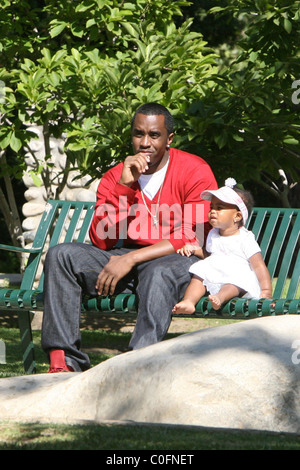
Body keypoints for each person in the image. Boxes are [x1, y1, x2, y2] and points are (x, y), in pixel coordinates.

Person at [41, 102, 218, 372]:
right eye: (138, 134)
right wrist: (124, 187)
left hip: (177, 259)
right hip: (127, 259)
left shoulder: (194, 170)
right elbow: (102, 240)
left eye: (154, 135)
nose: (145, 142)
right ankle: (62, 362)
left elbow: (192, 234)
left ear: (169, 138)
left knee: (158, 272)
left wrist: (132, 258)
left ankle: (138, 366)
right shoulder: (116, 176)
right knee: (62, 255)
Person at [172, 178, 272, 314]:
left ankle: (220, 297)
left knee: (232, 284)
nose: (213, 211)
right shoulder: (213, 233)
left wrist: (266, 291)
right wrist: (195, 249)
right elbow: (210, 255)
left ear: (237, 216)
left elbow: (259, 265)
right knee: (199, 276)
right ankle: (189, 301)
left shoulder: (245, 238)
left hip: (236, 275)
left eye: (219, 208)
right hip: (216, 271)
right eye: (211, 207)